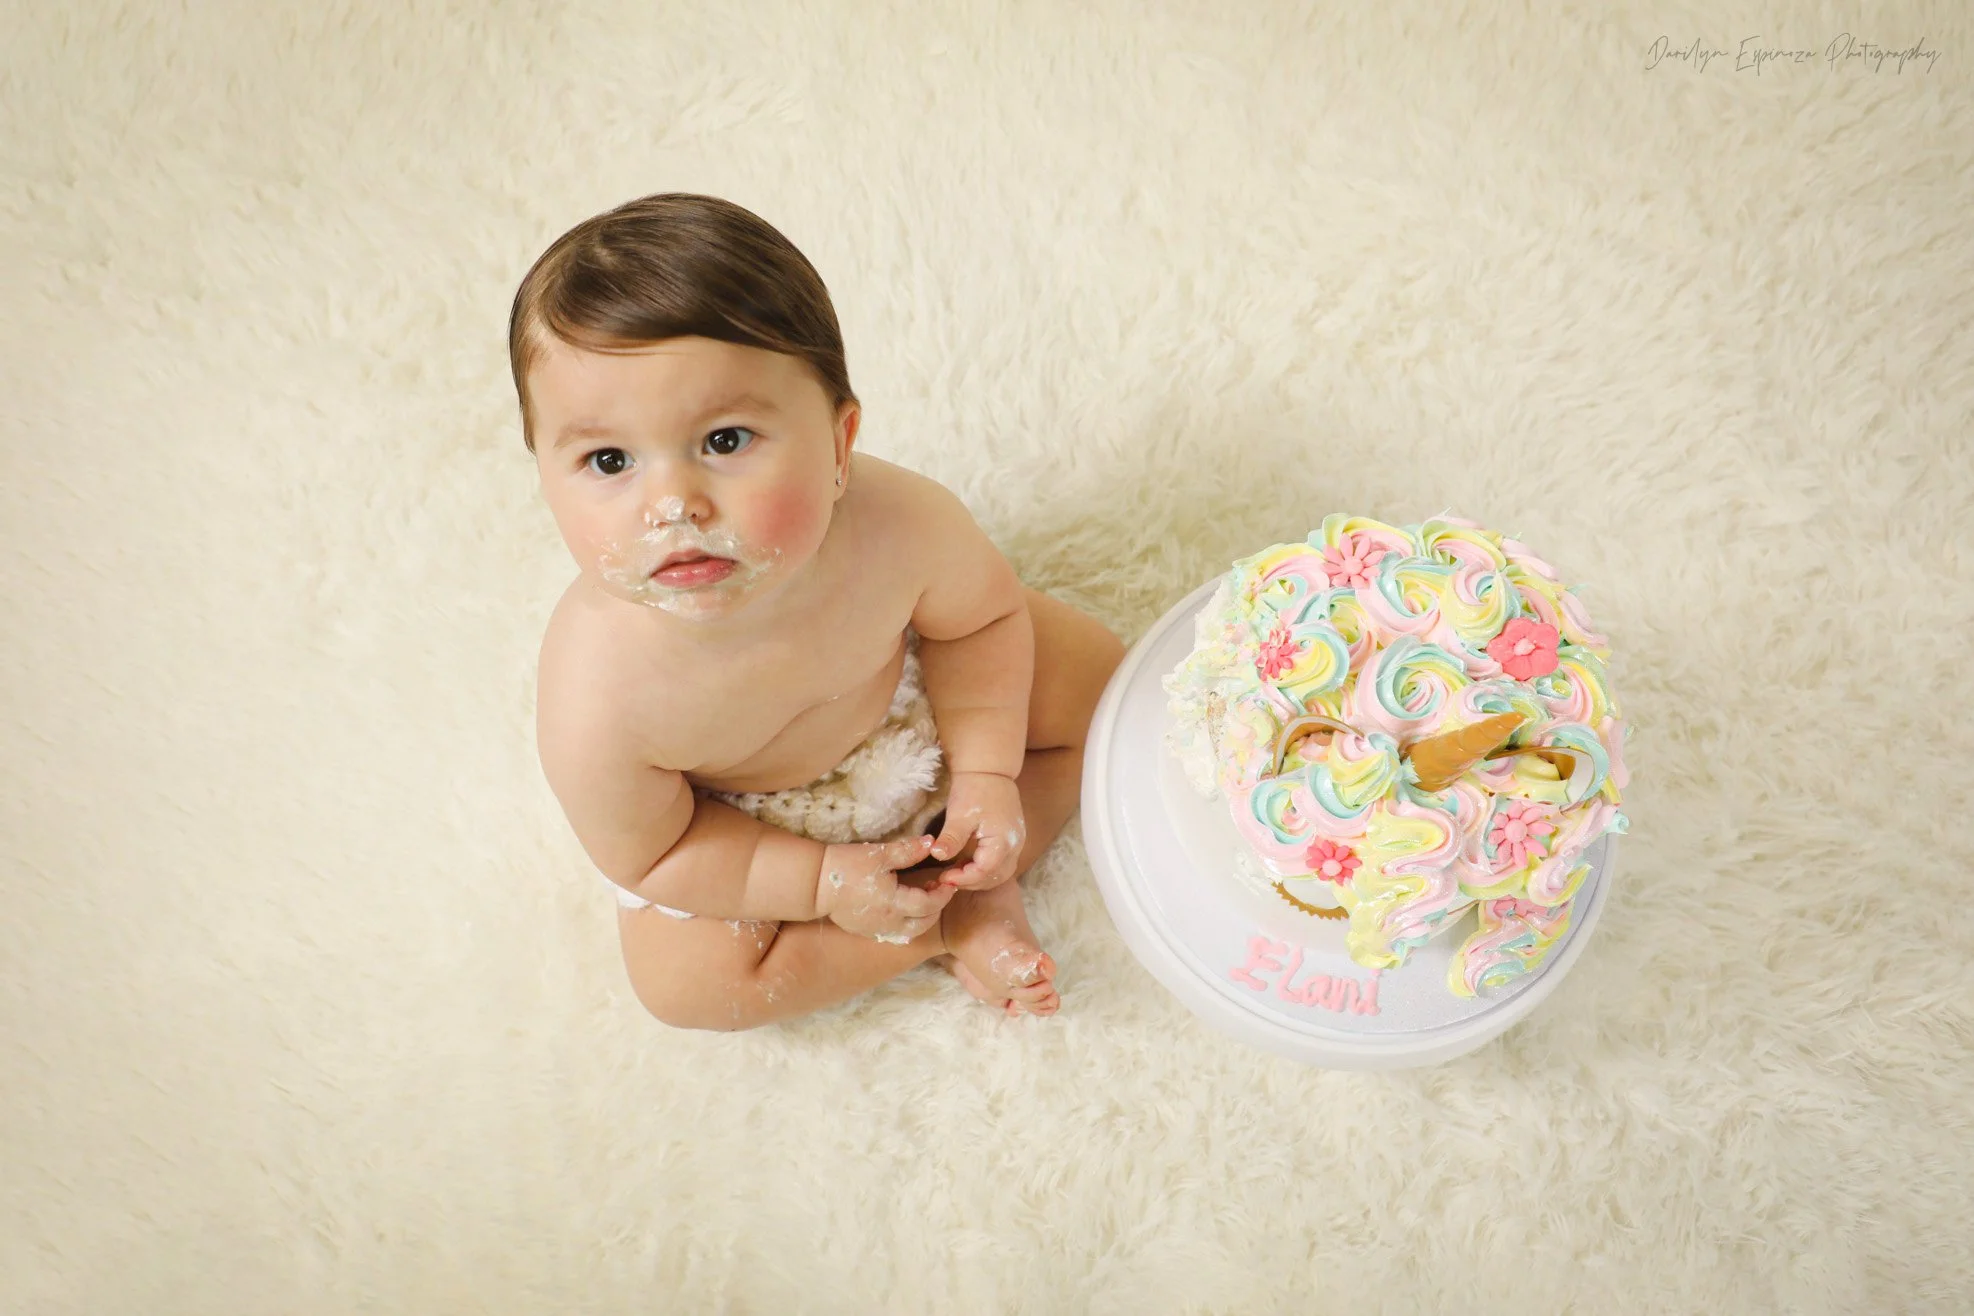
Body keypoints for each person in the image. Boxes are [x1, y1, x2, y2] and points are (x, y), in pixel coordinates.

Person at [516, 193, 1125, 1030]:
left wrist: (986, 774)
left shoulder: (899, 525)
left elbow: (978, 623)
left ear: (840, 447)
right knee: (691, 988)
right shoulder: (597, 694)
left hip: (907, 684)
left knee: (1110, 687)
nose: (672, 505)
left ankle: (981, 871)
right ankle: (941, 922)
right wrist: (819, 884)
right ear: (543, 474)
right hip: (744, 822)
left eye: (724, 441)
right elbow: (658, 851)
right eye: (609, 459)